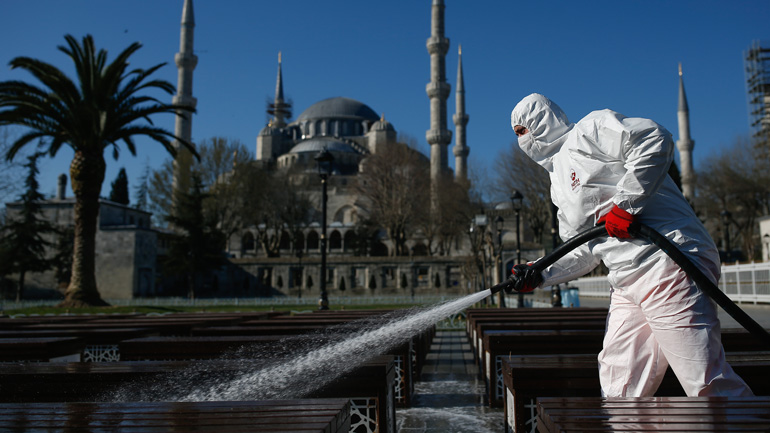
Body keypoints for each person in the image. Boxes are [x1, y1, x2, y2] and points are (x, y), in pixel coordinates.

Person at [508, 93, 753, 398]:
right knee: (620, 386)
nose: (521, 140)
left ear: (541, 121)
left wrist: (626, 205)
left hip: (666, 261)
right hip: (625, 281)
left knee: (704, 382)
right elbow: (584, 250)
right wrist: (541, 273)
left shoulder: (589, 131)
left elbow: (654, 138)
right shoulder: (557, 185)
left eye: (523, 130)